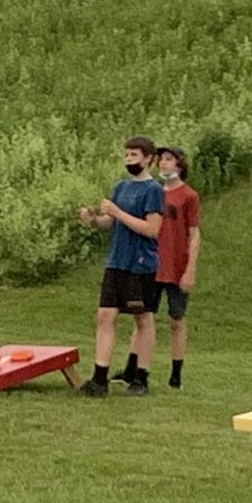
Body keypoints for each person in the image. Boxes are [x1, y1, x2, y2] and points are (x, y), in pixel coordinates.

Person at [76, 135, 164, 397]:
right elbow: (111, 224)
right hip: (116, 260)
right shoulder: (121, 187)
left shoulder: (153, 190)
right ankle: (99, 378)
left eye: (134, 156)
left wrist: (117, 213)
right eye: (126, 155)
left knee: (143, 318)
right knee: (105, 316)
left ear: (148, 158)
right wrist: (93, 220)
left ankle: (141, 377)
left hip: (140, 263)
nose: (129, 160)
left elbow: (152, 229)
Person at [151, 146, 201, 390]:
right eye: (161, 160)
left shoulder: (188, 196)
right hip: (152, 263)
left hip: (176, 264)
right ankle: (134, 368)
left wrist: (190, 268)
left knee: (176, 319)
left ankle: (176, 373)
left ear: (179, 165)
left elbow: (194, 233)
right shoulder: (153, 193)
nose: (163, 164)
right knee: (144, 316)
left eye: (168, 160)